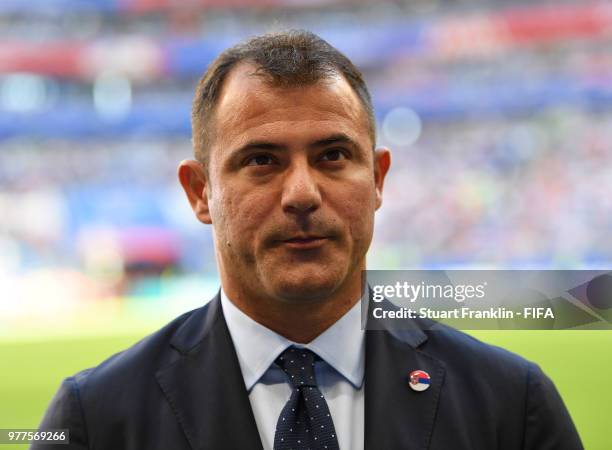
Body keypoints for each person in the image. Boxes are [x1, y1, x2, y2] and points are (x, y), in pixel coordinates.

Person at [35, 30, 583, 450]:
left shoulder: (512, 407)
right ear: (200, 192)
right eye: (262, 160)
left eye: (333, 156)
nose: (301, 193)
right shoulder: (95, 420)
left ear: (377, 180)